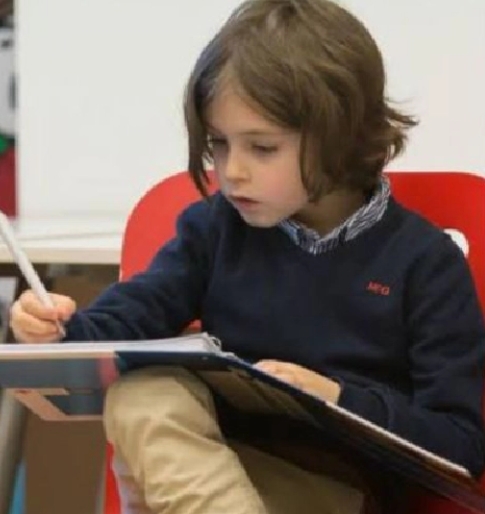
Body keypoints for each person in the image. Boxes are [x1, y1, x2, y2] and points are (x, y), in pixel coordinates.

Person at [9, 0, 485, 513]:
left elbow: (459, 445)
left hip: (334, 493)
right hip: (209, 476)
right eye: (218, 144)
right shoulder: (213, 229)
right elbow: (132, 315)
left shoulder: (425, 263)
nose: (231, 171)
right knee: (141, 392)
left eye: (262, 148)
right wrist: (57, 329)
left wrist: (337, 398)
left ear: (343, 139)